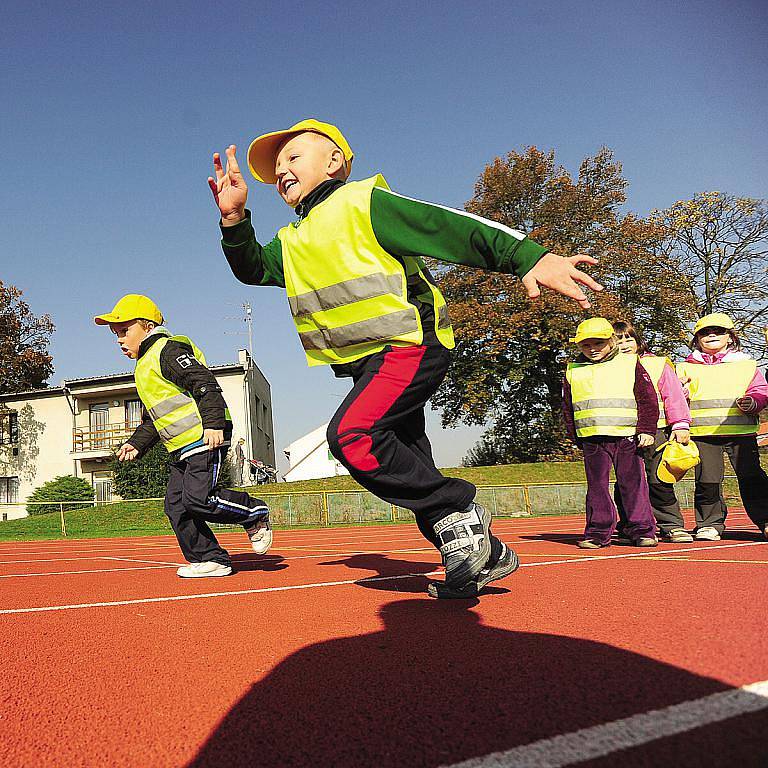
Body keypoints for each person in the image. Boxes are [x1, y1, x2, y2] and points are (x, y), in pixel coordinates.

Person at [208, 119, 602, 597]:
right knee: (411, 465)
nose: (282, 170)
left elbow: (448, 227)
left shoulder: (362, 203)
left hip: (411, 345)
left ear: (334, 162)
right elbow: (252, 268)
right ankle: (481, 553)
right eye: (276, 169)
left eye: (294, 157)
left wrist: (527, 256)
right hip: (368, 365)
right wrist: (233, 220)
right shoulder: (293, 241)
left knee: (352, 436)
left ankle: (460, 508)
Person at [94, 294, 273, 577]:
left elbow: (203, 383)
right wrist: (136, 443)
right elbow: (156, 415)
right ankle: (211, 558)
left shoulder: (167, 350)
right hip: (180, 446)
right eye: (116, 334)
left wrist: (214, 423)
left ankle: (254, 512)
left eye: (124, 331)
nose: (119, 339)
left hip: (204, 436)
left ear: (147, 325)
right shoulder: (143, 365)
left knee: (199, 499)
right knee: (176, 507)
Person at [562, 317, 659, 548]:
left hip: (627, 437)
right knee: (597, 488)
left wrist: (646, 429)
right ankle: (597, 532)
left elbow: (647, 399)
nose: (592, 349)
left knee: (633, 485)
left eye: (599, 343)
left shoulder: (629, 363)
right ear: (578, 346)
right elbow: (567, 407)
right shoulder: (573, 371)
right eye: (586, 345)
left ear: (611, 341)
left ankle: (643, 530)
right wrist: (575, 436)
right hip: (592, 439)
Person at [676, 312, 768, 540]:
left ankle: (765, 519)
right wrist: (682, 392)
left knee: (751, 477)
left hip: (741, 433)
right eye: (705, 332)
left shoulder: (746, 365)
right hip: (702, 434)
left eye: (718, 331)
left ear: (730, 337)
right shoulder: (684, 367)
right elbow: (676, 395)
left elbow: (761, 390)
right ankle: (709, 524)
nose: (711, 335)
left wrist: (754, 402)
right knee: (707, 480)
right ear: (697, 339)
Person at [612, 320, 693, 543]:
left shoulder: (658, 364)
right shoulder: (606, 369)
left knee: (659, 479)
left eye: (629, 338)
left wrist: (680, 424)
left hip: (656, 430)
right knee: (625, 483)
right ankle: (629, 526)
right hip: (624, 433)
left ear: (638, 341)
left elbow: (673, 396)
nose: (625, 343)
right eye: (619, 339)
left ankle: (671, 525)